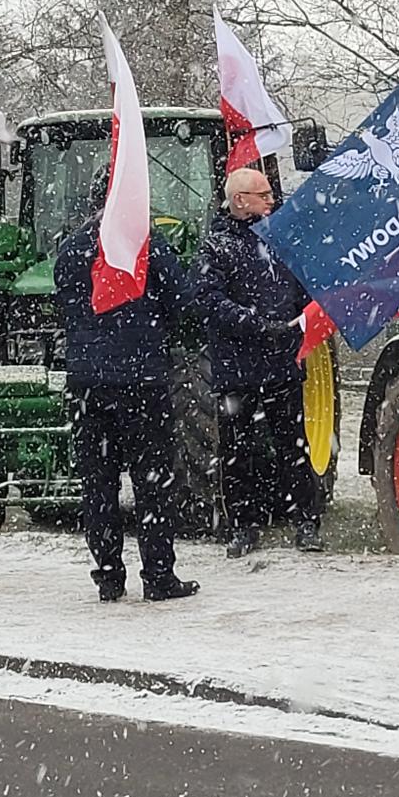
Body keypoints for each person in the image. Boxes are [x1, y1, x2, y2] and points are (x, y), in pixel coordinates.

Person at [55, 179, 198, 603]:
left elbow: (65, 302)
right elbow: (183, 300)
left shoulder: (72, 248)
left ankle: (108, 576)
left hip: (87, 383)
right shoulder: (147, 246)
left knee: (98, 485)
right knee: (152, 483)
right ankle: (158, 575)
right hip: (143, 382)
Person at [196, 166, 322, 557]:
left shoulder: (282, 240)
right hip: (237, 369)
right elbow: (207, 300)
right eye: (263, 195)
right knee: (238, 453)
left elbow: (304, 289)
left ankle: (307, 522)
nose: (272, 200)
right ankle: (242, 527)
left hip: (282, 363)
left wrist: (307, 319)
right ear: (239, 201)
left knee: (294, 447)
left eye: (270, 194)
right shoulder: (215, 247)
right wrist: (255, 325)